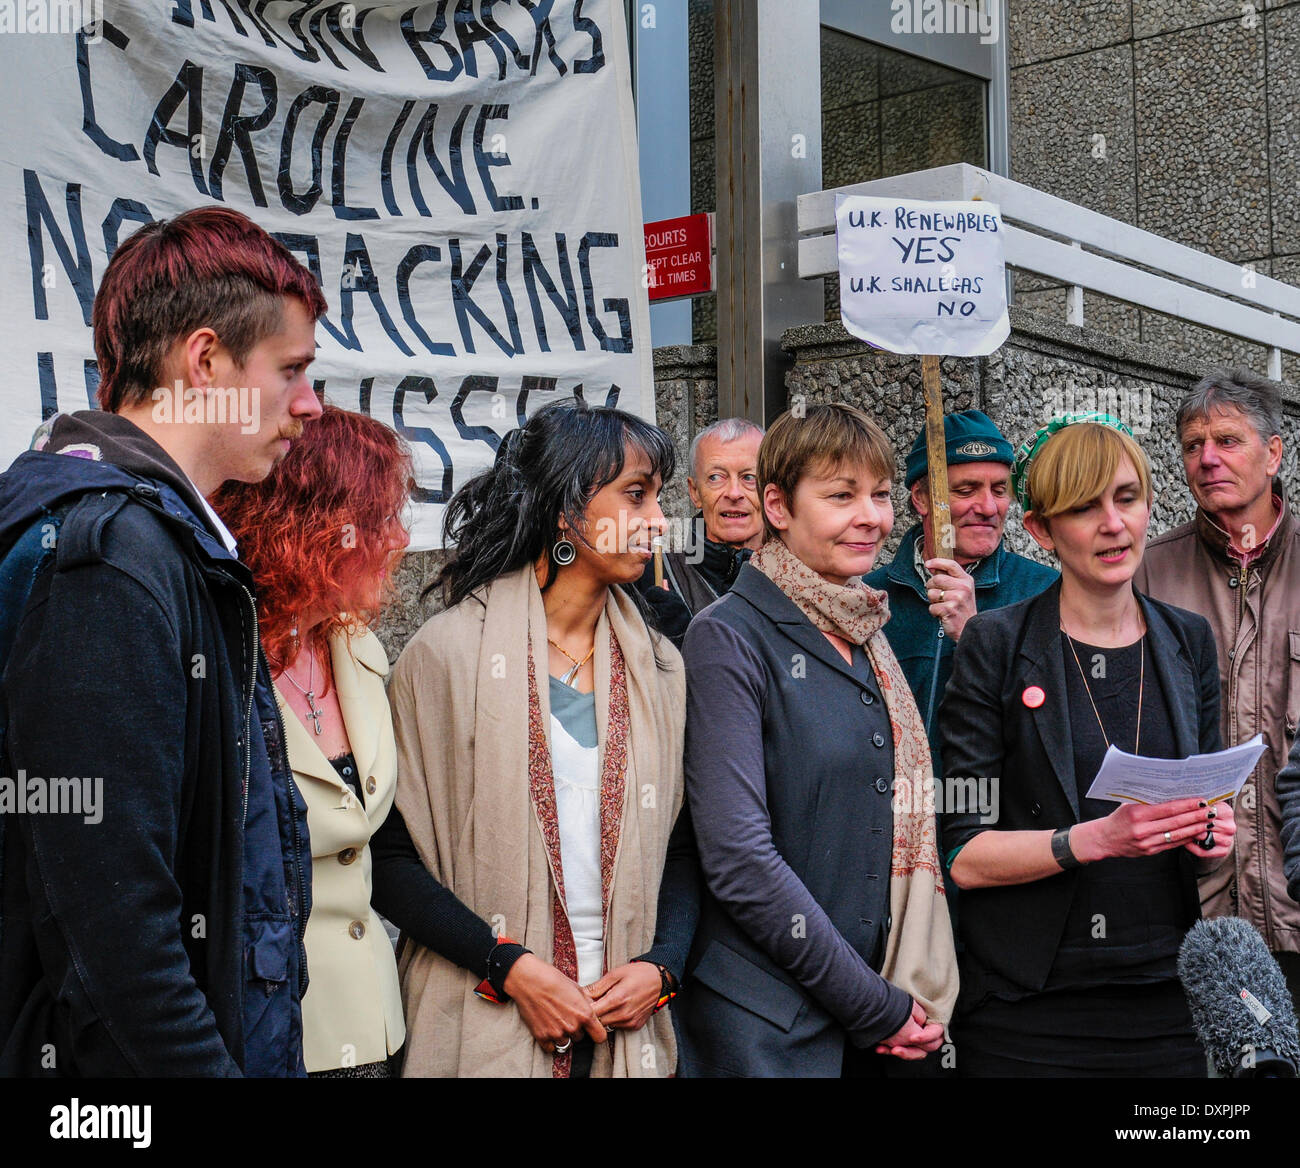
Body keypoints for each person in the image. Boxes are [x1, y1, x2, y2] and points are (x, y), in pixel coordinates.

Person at [0, 206, 325, 1075]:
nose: (310, 404)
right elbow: (114, 928)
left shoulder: (163, 543)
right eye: (292, 369)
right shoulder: (111, 556)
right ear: (207, 360)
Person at [373, 399, 699, 1077]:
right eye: (634, 497)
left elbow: (687, 847)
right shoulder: (447, 657)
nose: (658, 522)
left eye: (657, 498)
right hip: (483, 1014)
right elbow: (389, 857)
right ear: (565, 511)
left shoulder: (664, 663)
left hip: (623, 1025)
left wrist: (661, 969)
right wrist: (511, 968)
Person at [941, 415, 1235, 1077]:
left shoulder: (1188, 641)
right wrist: (1094, 839)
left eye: (1126, 498)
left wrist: (1215, 837)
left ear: (1149, 507)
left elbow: (1210, 846)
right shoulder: (996, 644)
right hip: (1030, 1009)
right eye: (1083, 506)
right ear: (1042, 529)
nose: (1112, 523)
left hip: (1169, 999)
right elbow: (962, 853)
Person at [677, 402, 958, 1078]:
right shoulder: (727, 635)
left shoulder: (867, 629)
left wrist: (888, 1003)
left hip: (875, 1014)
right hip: (765, 1030)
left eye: (882, 495)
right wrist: (874, 1006)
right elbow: (740, 860)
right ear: (778, 505)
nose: (873, 516)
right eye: (842, 496)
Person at [213, 406, 413, 1077]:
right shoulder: (219, 660)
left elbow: (382, 850)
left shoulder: (358, 647)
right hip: (272, 1034)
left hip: (378, 1025)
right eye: (382, 518)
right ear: (319, 527)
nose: (402, 539)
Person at [1133, 370, 1300, 1001]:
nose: (1207, 459)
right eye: (1192, 445)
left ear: (1275, 452)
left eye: (1227, 441)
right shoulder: (1148, 573)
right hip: (1195, 913)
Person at [865, 410, 1056, 776]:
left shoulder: (1044, 591)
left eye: (999, 490)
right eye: (966, 490)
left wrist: (976, 635)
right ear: (920, 498)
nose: (987, 507)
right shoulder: (871, 597)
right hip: (895, 821)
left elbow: (1053, 729)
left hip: (999, 823)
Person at [636, 418, 765, 640]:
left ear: (772, 492)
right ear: (694, 492)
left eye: (749, 478)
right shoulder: (651, 576)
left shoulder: (797, 577)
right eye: (716, 477)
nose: (734, 493)